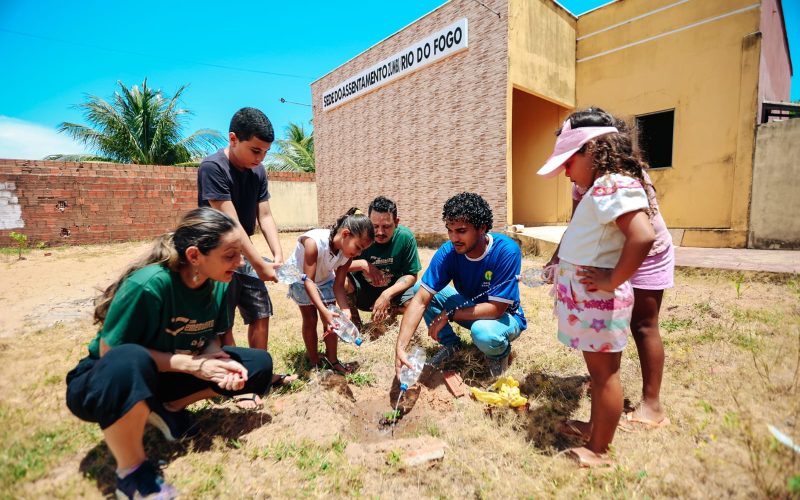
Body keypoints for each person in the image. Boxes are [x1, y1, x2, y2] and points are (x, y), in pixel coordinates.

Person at [65, 208, 277, 499]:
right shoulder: (150, 284)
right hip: (106, 380)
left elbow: (210, 339)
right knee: (131, 359)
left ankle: (168, 407)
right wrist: (192, 365)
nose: (239, 263)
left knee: (258, 364)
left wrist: (220, 362)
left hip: (166, 373)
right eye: (230, 255)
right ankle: (132, 473)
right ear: (194, 256)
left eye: (240, 254)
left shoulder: (217, 284)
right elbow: (110, 352)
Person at [535, 107, 656, 467]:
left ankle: (599, 450)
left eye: (569, 161)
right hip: (590, 304)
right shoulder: (600, 187)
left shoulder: (613, 184)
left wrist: (612, 278)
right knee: (598, 374)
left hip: (601, 301)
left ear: (592, 150)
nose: (565, 171)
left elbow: (642, 235)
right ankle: (594, 426)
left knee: (605, 376)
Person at [198, 107, 283, 409]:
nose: (260, 159)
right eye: (255, 150)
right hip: (215, 254)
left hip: (243, 251)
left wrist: (276, 253)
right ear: (233, 139)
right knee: (224, 322)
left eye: (265, 152)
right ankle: (237, 384)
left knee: (261, 310)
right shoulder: (213, 167)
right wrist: (258, 263)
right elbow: (230, 222)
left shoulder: (258, 172)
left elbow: (266, 215)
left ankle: (260, 375)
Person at [394, 192, 526, 379]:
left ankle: (500, 355)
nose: (454, 238)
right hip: (470, 307)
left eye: (461, 231)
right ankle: (451, 346)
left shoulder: (506, 251)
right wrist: (400, 348)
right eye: (450, 230)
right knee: (418, 291)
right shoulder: (448, 252)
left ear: (482, 228)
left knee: (483, 332)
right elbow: (420, 300)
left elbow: (496, 309)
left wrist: (450, 314)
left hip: (505, 316)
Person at [286, 208, 374, 374]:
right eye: (358, 247)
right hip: (301, 279)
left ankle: (333, 360)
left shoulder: (347, 255)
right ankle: (314, 362)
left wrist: (345, 309)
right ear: (346, 234)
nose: (359, 253)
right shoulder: (314, 243)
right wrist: (323, 309)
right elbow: (308, 281)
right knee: (311, 319)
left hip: (325, 279)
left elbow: (338, 285)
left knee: (332, 322)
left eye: (362, 250)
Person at [346, 196, 421, 327]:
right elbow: (338, 266)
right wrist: (364, 264)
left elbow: (412, 275)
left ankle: (392, 312)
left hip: (393, 292)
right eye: (374, 226)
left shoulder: (405, 238)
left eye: (386, 226)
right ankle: (355, 324)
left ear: (396, 222)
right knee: (343, 282)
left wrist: (387, 295)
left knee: (417, 303)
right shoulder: (358, 235)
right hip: (362, 292)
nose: (380, 232)